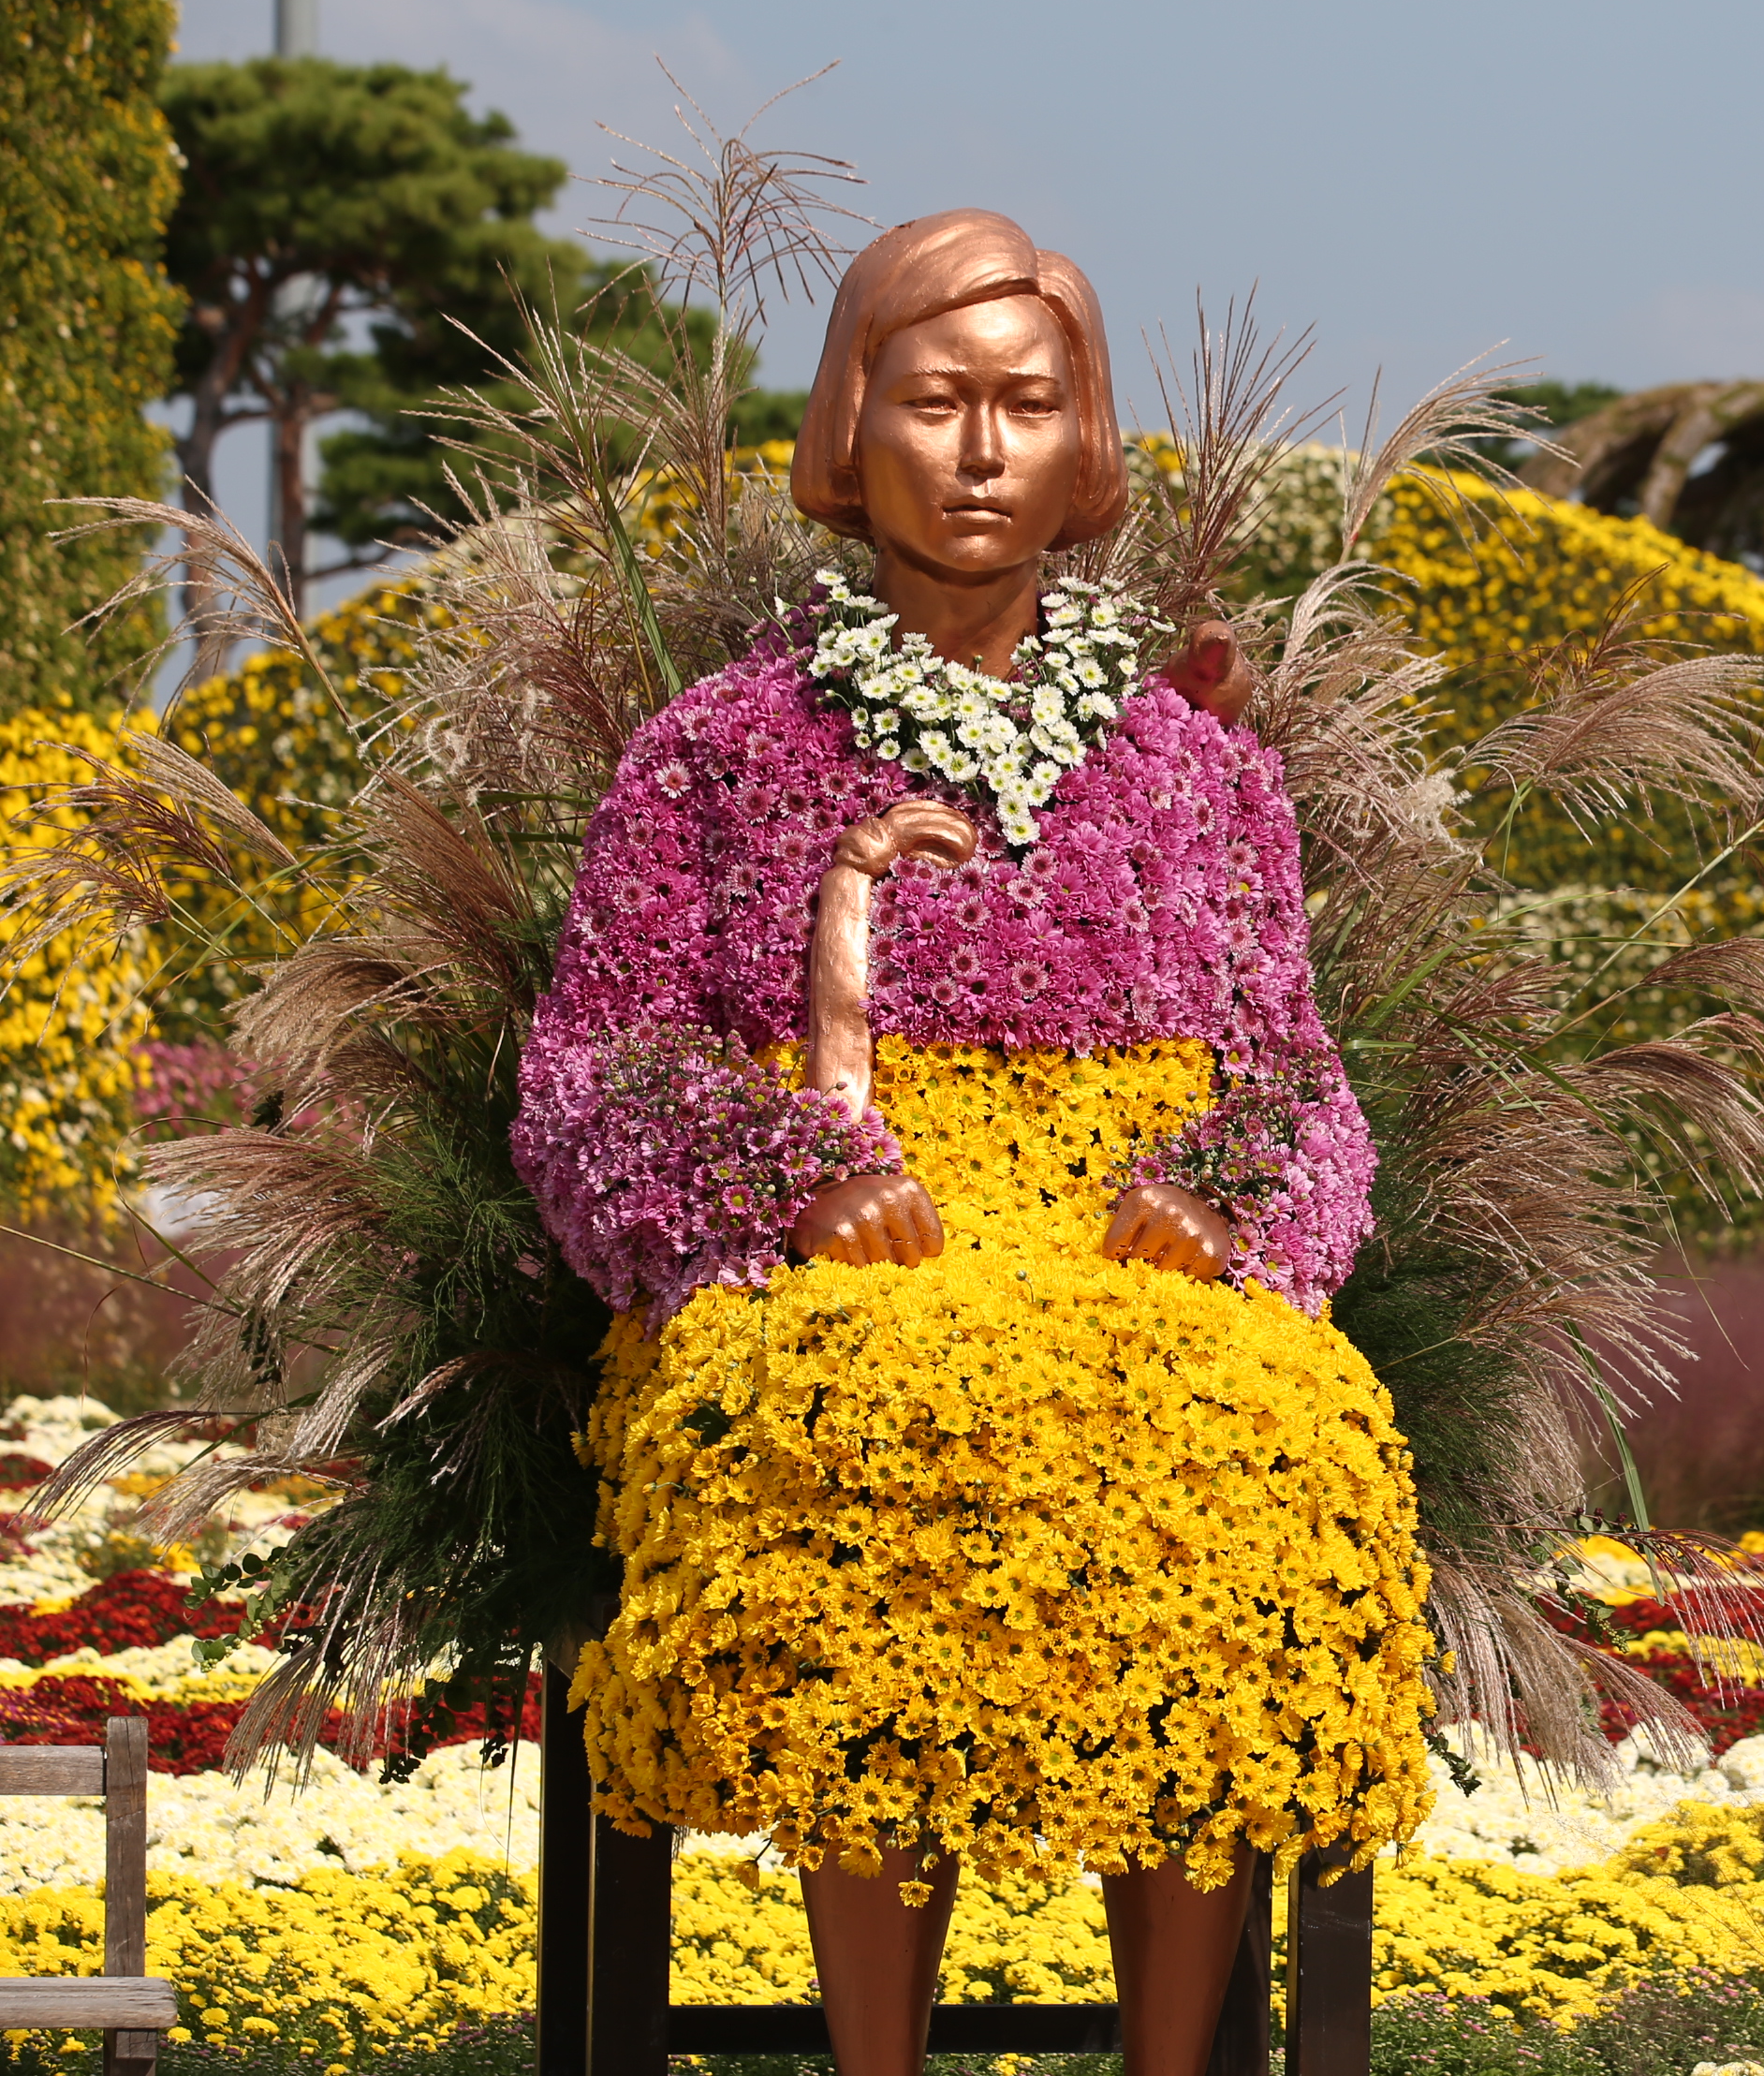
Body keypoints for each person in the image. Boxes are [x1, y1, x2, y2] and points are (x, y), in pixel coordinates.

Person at [513, 208, 1432, 2076]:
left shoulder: (1199, 769)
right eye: (937, 401)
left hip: (1130, 1253)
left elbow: (1289, 1067)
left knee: (1266, 1428)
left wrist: (1229, 1194)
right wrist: (783, 1181)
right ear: (855, 427)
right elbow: (603, 1059)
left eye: (1030, 401)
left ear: (1086, 440)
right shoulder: (717, 748)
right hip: (832, 1263)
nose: (987, 447)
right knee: (851, 1431)